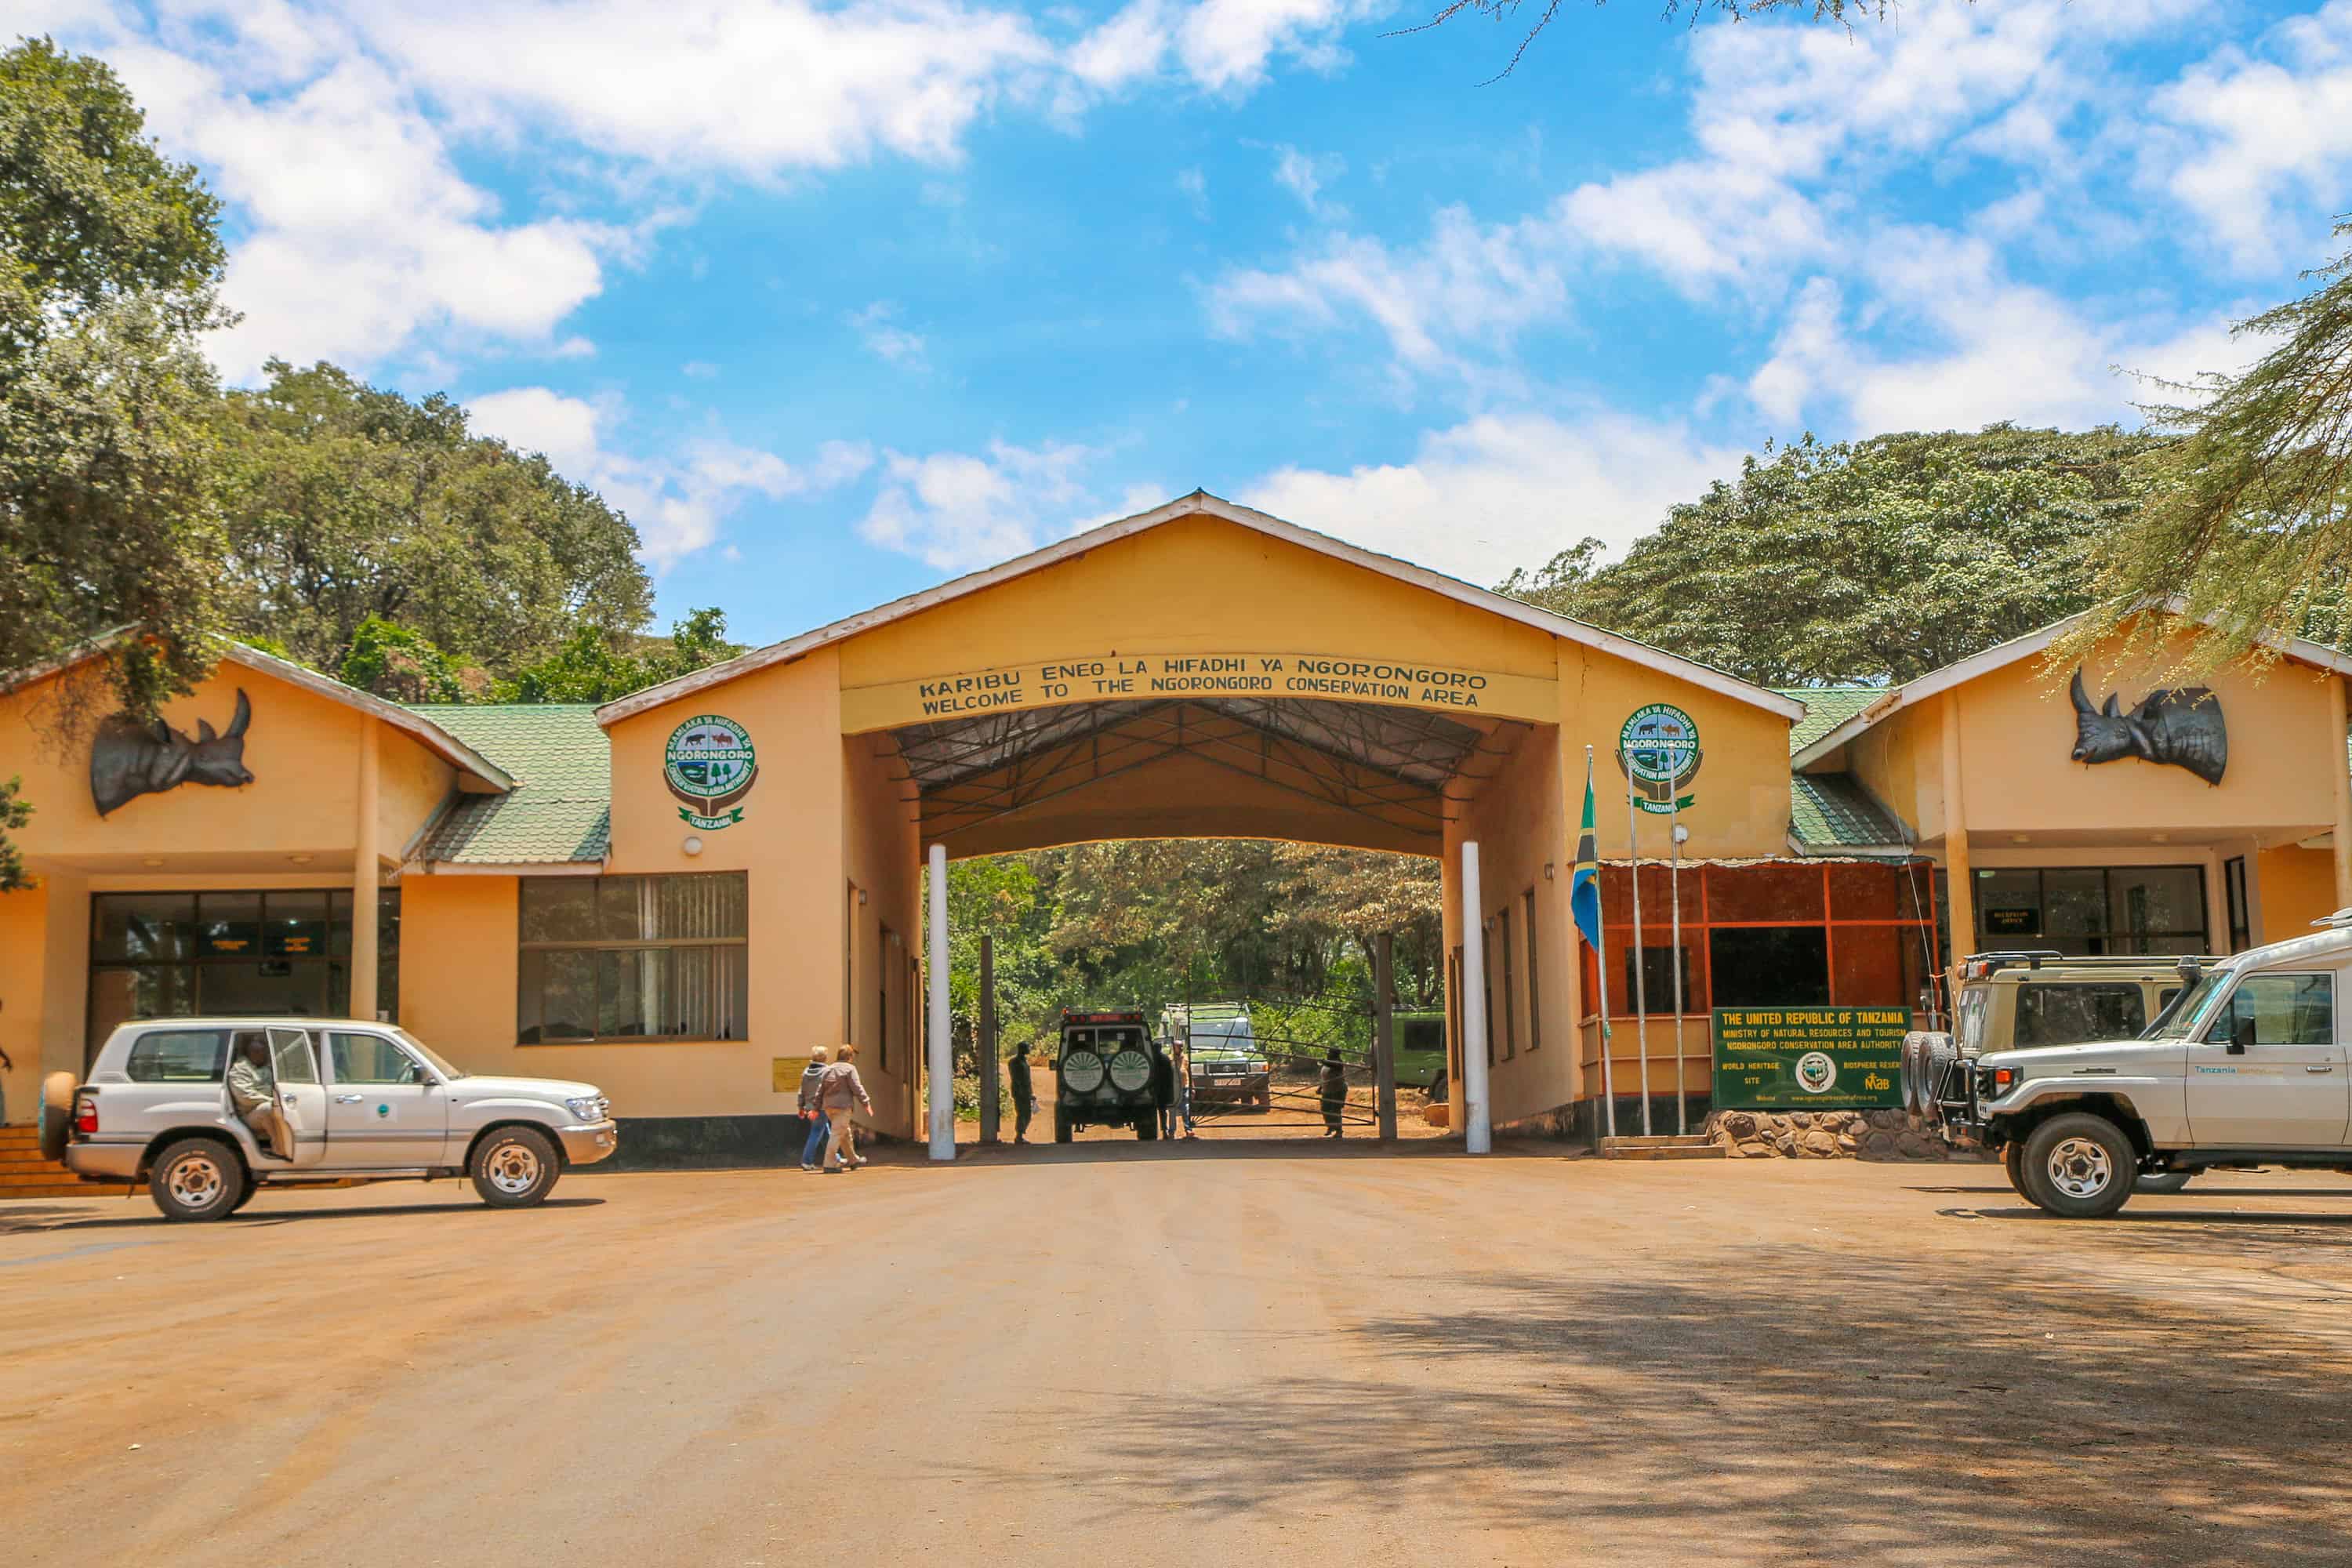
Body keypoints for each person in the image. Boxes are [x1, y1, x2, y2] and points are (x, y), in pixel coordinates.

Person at [227, 1033, 285, 1159]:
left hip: (262, 1107)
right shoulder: (240, 1069)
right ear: (250, 1052)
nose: (263, 1054)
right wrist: (273, 1100)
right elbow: (246, 1097)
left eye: (264, 1051)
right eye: (258, 1052)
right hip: (248, 1115)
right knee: (269, 1108)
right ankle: (279, 1150)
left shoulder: (265, 1066)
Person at [818, 1044, 873, 1173]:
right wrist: (866, 1103)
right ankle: (829, 1164)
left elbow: (820, 1090)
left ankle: (853, 1160)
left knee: (845, 1133)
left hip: (828, 1107)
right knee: (837, 1134)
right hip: (843, 1107)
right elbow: (856, 1087)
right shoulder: (850, 1069)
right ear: (850, 1057)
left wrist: (816, 1107)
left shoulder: (828, 1069)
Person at [797, 1047, 832, 1172]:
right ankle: (807, 1161)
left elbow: (802, 1091)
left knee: (825, 1132)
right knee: (816, 1133)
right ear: (824, 1057)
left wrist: (801, 1107)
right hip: (821, 1107)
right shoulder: (827, 1071)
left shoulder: (806, 1072)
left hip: (810, 1107)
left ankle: (836, 1157)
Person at [1007, 1043, 1033, 1144]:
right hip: (1020, 1092)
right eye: (1027, 1047)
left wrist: (1030, 1092)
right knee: (1022, 1113)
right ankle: (1019, 1136)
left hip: (1025, 1091)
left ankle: (1020, 1134)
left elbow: (1027, 1079)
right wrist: (1022, 1092)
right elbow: (1016, 1079)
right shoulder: (1015, 1062)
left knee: (1027, 1114)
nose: (1029, 1049)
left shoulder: (1024, 1061)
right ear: (1022, 1049)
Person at [1318, 1048, 1348, 1139]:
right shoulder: (1327, 1064)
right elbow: (1325, 1078)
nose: (1328, 1054)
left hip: (1337, 1090)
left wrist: (1324, 1062)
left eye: (1329, 1053)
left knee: (1335, 1109)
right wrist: (1320, 1087)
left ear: (1335, 1054)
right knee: (1325, 1109)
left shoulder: (1338, 1063)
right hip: (1327, 1089)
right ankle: (1330, 1126)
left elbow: (1334, 1065)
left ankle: (1339, 1131)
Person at [1149, 1041, 1176, 1138]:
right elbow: (1170, 1076)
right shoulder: (1166, 1059)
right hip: (1163, 1090)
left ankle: (1151, 1131)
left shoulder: (1149, 1058)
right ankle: (1164, 1131)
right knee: (1163, 1112)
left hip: (1151, 1089)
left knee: (1150, 1111)